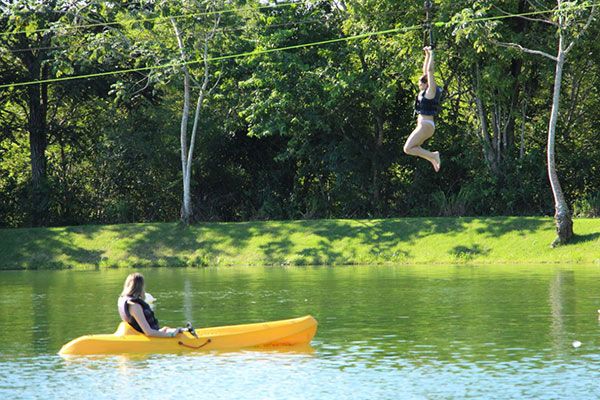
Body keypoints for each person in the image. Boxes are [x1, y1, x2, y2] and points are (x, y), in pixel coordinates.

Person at [403, 46, 442, 172]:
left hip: (426, 125)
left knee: (408, 148)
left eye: (420, 83)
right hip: (424, 126)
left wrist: (432, 53)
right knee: (414, 148)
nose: (418, 84)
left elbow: (430, 72)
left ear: (426, 84)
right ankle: (431, 158)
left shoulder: (430, 91)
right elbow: (425, 71)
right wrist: (427, 55)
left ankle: (433, 156)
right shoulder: (424, 91)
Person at [118, 272, 184, 338]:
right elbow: (148, 332)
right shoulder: (134, 306)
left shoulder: (122, 299)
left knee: (172, 329)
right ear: (141, 287)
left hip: (138, 334)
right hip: (147, 338)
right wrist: (171, 334)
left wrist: (162, 331)